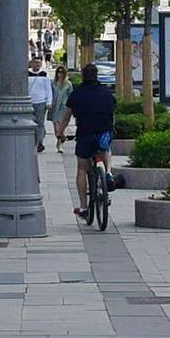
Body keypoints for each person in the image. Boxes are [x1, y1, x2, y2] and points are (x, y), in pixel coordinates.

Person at [56, 62, 118, 219]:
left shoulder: (77, 94)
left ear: (83, 76)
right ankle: (108, 173)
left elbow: (66, 117)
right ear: (97, 75)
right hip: (104, 132)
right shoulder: (106, 92)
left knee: (82, 169)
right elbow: (112, 113)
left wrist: (60, 133)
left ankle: (84, 207)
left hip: (85, 134)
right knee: (105, 148)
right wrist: (111, 129)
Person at [26, 59, 55, 154]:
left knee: (40, 122)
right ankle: (35, 138)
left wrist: (49, 102)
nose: (37, 64)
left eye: (39, 63)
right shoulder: (27, 74)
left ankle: (39, 143)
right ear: (32, 63)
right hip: (29, 102)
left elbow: (48, 90)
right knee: (31, 123)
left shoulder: (44, 75)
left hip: (41, 102)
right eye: (35, 63)